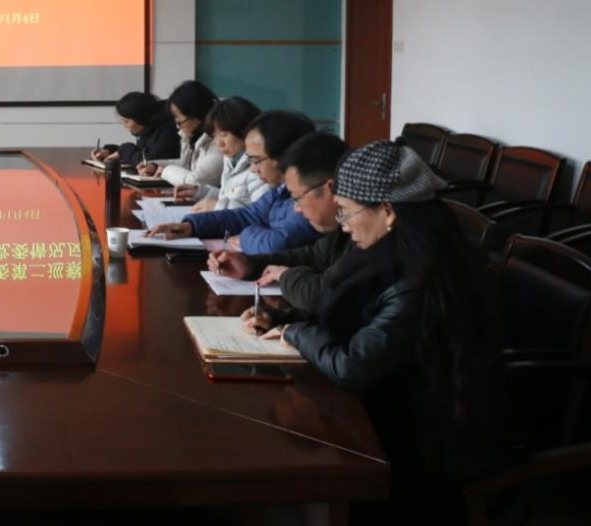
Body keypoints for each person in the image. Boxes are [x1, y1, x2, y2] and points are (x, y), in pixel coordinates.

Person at [241, 140, 500, 513]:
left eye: (346, 213)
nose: (344, 227)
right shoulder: (382, 250)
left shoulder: (418, 279)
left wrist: (295, 333)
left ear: (387, 211)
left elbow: (354, 364)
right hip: (383, 412)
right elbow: (346, 314)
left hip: (418, 449)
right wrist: (282, 318)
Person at [208, 131, 349, 311]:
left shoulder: (366, 237)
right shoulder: (339, 231)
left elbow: (327, 296)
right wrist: (249, 265)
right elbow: (313, 257)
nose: (297, 208)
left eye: (297, 198)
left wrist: (285, 276)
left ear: (330, 188)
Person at [148, 111, 318, 254]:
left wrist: (244, 237)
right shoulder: (280, 190)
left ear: (285, 156)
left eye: (256, 161)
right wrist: (190, 226)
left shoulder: (311, 198)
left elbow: (275, 244)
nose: (253, 169)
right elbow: (247, 216)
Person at [137, 80, 223, 191]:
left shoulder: (219, 143)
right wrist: (155, 166)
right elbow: (185, 164)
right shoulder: (194, 137)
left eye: (178, 119)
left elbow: (194, 181)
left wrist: (164, 171)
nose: (177, 125)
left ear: (197, 114)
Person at [188, 96, 268, 212]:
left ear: (244, 130)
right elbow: (231, 196)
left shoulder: (260, 166)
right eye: (214, 136)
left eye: (224, 135)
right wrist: (201, 192)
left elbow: (259, 214)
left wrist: (218, 206)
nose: (218, 143)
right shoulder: (232, 159)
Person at [89, 91, 181, 167]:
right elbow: (140, 151)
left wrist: (123, 151)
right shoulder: (149, 127)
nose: (124, 125)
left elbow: (149, 161)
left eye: (126, 121)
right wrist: (110, 151)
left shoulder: (169, 130)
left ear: (140, 118)